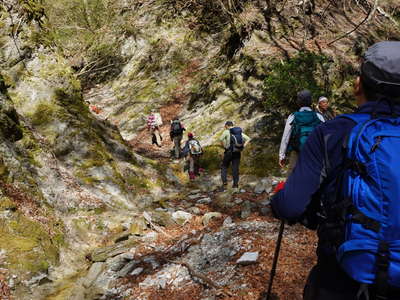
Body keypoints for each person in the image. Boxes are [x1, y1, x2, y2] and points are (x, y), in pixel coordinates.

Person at [271, 41, 400, 300]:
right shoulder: (324, 123)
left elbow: (290, 207)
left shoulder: (333, 131)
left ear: (359, 84)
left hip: (343, 276)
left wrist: (279, 197)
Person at [278, 90, 325, 174]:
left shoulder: (293, 116)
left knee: (292, 178)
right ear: (311, 102)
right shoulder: (319, 116)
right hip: (314, 153)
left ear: (298, 102)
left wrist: (282, 156)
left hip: (297, 152)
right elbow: (325, 137)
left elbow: (285, 137)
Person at [219, 121, 251, 191]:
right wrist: (242, 147)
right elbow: (248, 139)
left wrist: (224, 146)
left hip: (228, 152)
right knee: (235, 168)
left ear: (227, 125)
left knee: (224, 166)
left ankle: (224, 182)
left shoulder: (226, 132)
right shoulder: (238, 132)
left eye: (225, 126)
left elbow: (220, 139)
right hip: (237, 152)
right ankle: (235, 185)